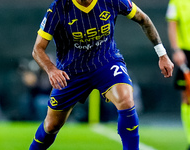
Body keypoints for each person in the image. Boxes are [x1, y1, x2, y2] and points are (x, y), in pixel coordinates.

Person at [29, 0, 174, 149]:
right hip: (71, 72)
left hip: (106, 62)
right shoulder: (59, 7)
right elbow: (37, 49)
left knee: (126, 99)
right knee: (51, 125)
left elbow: (144, 19)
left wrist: (162, 54)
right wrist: (52, 70)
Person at [166, 0, 190, 149]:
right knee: (187, 96)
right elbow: (172, 26)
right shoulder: (177, 2)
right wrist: (176, 50)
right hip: (186, 54)